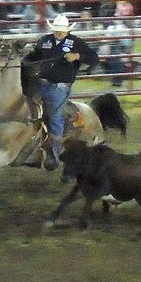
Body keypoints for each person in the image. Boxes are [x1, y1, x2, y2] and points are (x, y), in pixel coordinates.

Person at [22, 14, 99, 170]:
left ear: (67, 31)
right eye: (57, 30)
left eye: (61, 31)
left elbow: (93, 58)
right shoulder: (44, 41)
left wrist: (77, 56)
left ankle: (54, 155)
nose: (59, 33)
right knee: (24, 110)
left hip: (60, 87)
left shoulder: (76, 43)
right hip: (39, 84)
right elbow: (32, 57)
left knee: (54, 117)